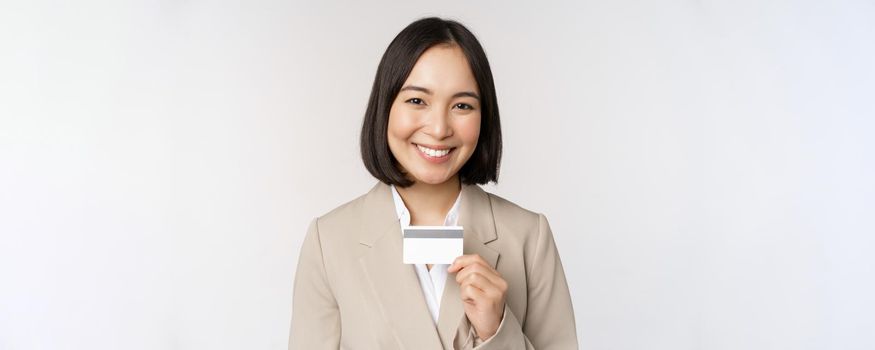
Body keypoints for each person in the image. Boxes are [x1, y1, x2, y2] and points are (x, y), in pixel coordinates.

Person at [289, 17, 578, 350]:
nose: (439, 128)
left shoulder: (530, 237)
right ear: (385, 108)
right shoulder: (329, 241)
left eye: (462, 105)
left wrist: (497, 330)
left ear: (484, 118)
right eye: (417, 101)